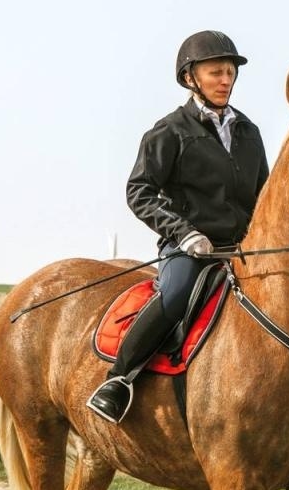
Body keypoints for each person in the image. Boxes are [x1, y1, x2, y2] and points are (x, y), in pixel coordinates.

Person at [86, 30, 269, 423]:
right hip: (189, 250)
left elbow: (263, 198)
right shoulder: (169, 131)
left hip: (240, 249)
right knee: (176, 294)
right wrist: (185, 233)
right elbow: (140, 191)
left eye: (230, 73)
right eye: (216, 72)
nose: (225, 80)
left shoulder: (248, 133)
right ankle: (119, 380)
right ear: (191, 78)